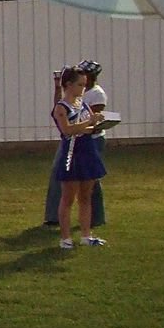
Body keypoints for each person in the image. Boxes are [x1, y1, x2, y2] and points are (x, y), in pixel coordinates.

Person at [43, 60, 107, 226]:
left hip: (90, 142)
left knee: (90, 183)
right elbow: (67, 126)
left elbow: (90, 120)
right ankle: (56, 219)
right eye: (80, 83)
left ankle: (94, 220)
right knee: (66, 187)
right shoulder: (69, 101)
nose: (83, 86)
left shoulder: (95, 94)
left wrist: (93, 122)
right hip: (73, 143)